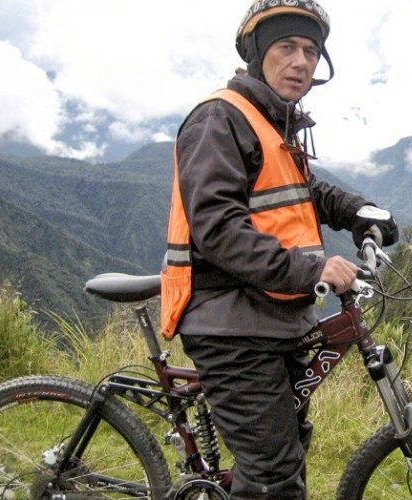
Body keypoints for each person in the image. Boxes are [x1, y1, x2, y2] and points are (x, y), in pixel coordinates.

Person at [159, 1, 398, 497]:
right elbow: (218, 228)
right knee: (272, 476)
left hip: (274, 314)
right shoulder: (218, 119)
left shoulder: (274, 123)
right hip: (228, 321)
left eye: (311, 51)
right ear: (256, 53)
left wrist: (359, 211)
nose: (301, 62)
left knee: (287, 452)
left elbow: (302, 193)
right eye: (287, 47)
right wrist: (310, 267)